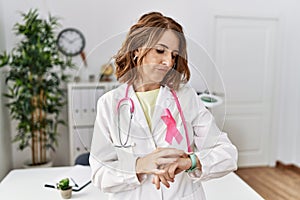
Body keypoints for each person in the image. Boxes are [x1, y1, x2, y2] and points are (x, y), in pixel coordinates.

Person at [89, 11, 238, 200]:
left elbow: (227, 154)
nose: (168, 62)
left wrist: (190, 162)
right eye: (160, 50)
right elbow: (100, 173)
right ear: (136, 49)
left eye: (174, 55)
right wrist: (140, 165)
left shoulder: (186, 97)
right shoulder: (110, 104)